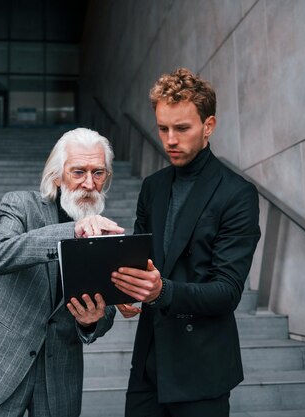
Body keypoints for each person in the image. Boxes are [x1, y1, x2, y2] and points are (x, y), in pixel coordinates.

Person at [111, 67, 261, 416]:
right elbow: (140, 260)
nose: (170, 140)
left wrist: (161, 291)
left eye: (182, 128)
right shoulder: (153, 186)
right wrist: (127, 294)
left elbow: (227, 291)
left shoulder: (237, 194)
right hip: (149, 365)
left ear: (208, 126)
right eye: (162, 128)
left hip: (202, 369)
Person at [0, 127, 124, 417]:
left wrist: (92, 322)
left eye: (98, 173)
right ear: (57, 175)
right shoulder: (20, 204)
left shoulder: (106, 231)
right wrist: (70, 231)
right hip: (0, 363)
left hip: (60, 374)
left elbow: (105, 314)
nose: (89, 183)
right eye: (78, 172)